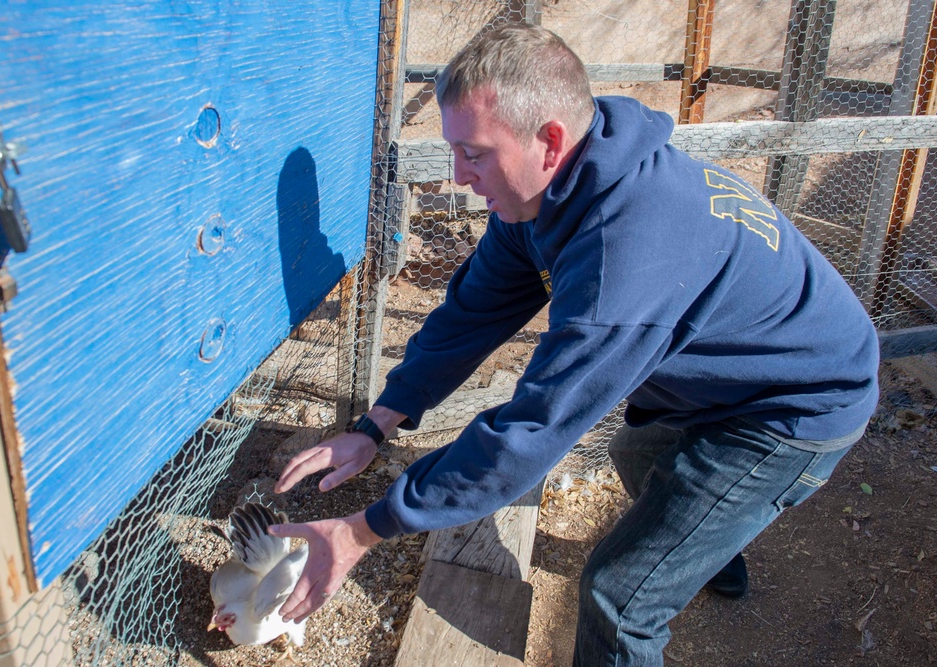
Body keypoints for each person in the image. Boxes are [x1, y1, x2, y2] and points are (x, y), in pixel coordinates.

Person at [269, 23, 879, 665]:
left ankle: (695, 549)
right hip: (732, 371)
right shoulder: (544, 195)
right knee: (638, 450)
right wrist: (376, 424)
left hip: (796, 404)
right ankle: (708, 555)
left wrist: (361, 531)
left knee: (620, 596)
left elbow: (527, 438)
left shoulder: (625, 254)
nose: (457, 176)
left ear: (550, 140)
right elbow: (472, 313)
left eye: (473, 153)